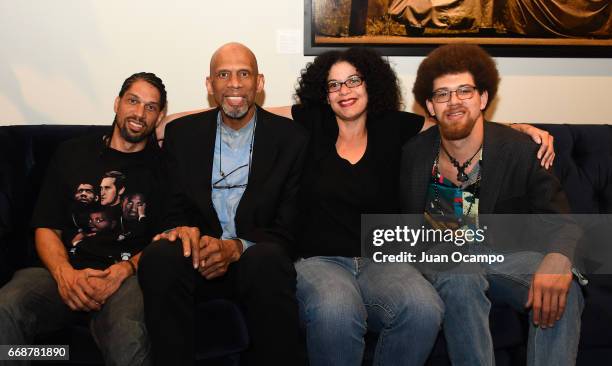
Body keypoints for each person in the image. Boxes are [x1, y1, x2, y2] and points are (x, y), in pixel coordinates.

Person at [160, 46, 556, 365]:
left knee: (423, 309)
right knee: (336, 313)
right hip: (318, 260)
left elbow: (458, 121)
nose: (345, 90)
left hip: (383, 258)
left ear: (370, 84)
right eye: (334, 85)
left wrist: (519, 131)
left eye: (353, 80)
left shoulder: (396, 127)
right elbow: (240, 109)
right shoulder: (308, 124)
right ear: (323, 92)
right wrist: (170, 123)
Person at [401, 43, 584, 366]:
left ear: (483, 98)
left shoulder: (521, 150)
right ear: (430, 106)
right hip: (441, 259)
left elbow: (562, 222)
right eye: (442, 94)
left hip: (503, 258)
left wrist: (559, 259)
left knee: (564, 292)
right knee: (460, 273)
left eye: (465, 91)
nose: (454, 101)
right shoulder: (412, 153)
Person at [137, 42, 308, 366]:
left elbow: (289, 226)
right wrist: (186, 233)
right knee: (159, 257)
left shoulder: (291, 139)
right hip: (197, 255)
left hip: (252, 257)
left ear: (259, 83)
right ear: (209, 84)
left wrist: (235, 248)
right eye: (223, 74)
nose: (234, 83)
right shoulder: (182, 134)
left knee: (269, 260)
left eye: (244, 73)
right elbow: (169, 209)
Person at [0, 72, 167, 366]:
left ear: (160, 116)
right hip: (62, 273)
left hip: (126, 279)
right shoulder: (72, 153)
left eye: (151, 107)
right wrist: (65, 275)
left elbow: (163, 240)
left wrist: (122, 271)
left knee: (128, 333)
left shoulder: (165, 168)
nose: (140, 113)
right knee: (7, 305)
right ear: (117, 103)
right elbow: (46, 226)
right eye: (133, 101)